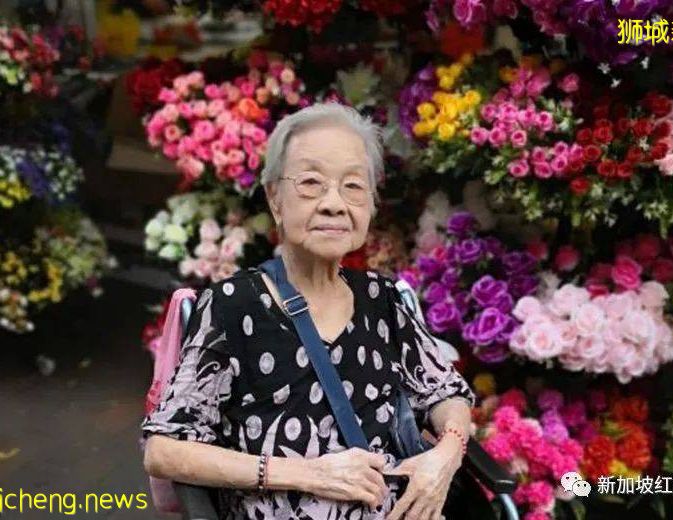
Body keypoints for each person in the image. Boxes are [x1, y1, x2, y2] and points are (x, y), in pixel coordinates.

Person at [142, 103, 476, 520]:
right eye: (312, 183)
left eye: (353, 186)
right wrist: (310, 474)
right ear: (275, 199)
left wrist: (444, 455)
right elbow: (164, 450)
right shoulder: (232, 306)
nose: (334, 203)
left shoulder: (384, 300)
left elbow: (446, 393)